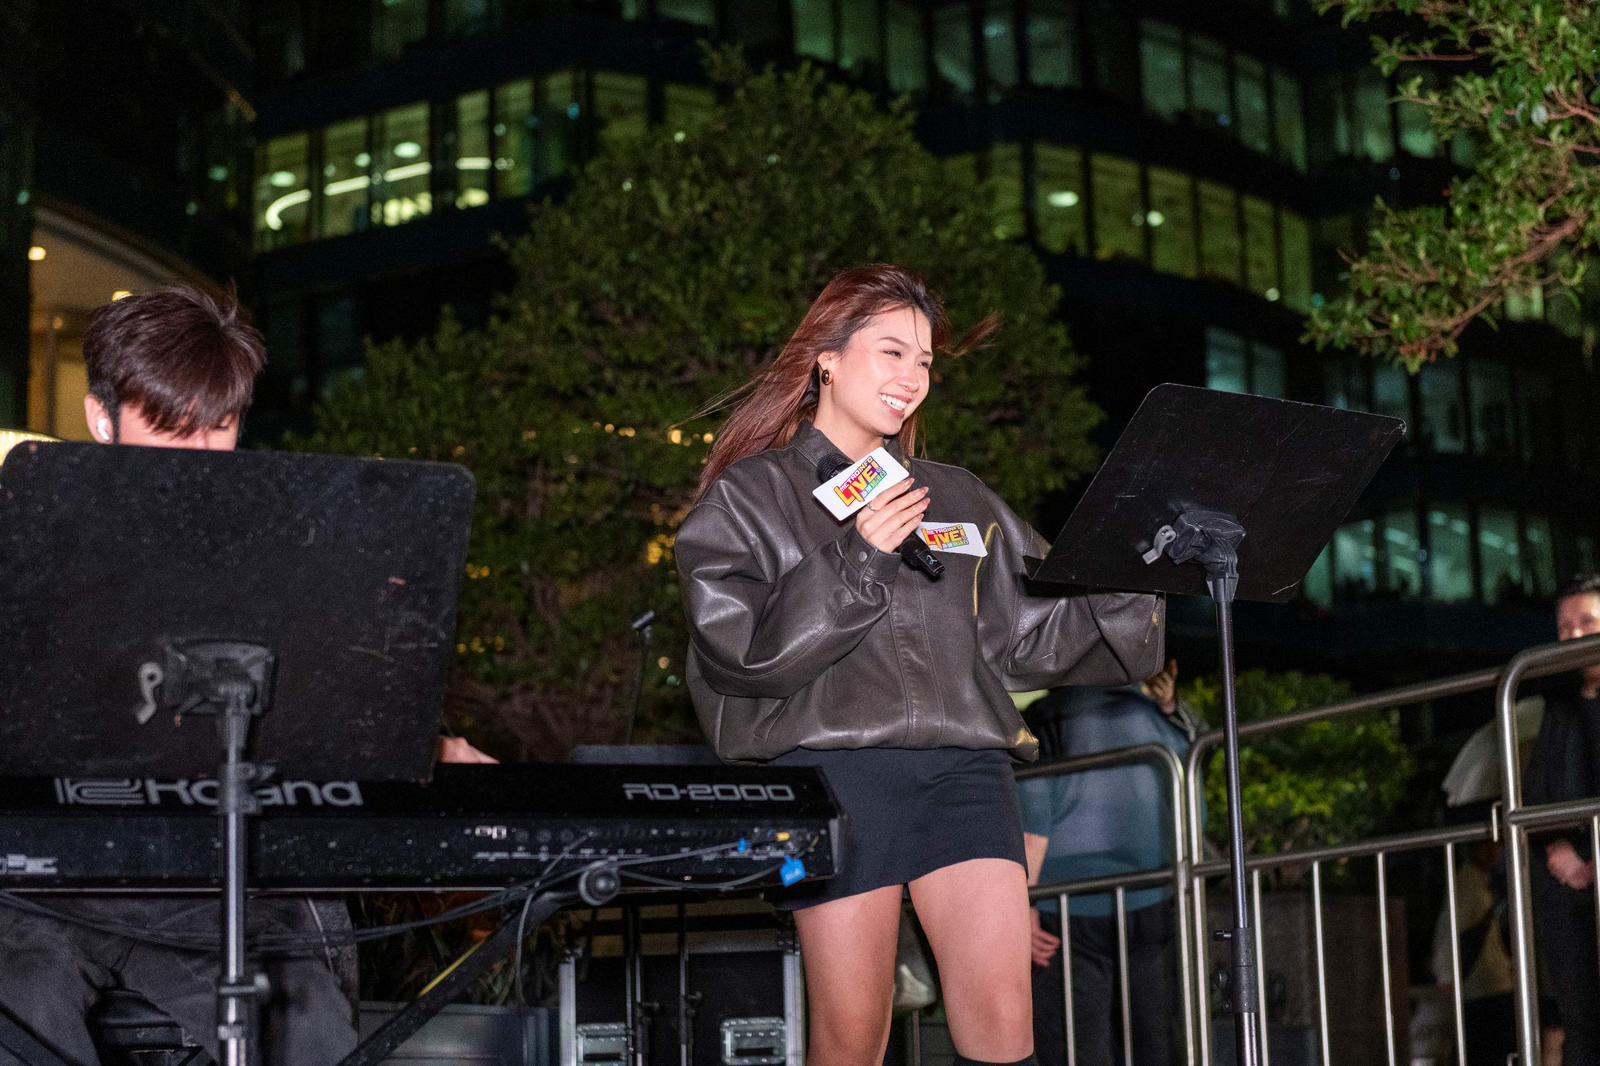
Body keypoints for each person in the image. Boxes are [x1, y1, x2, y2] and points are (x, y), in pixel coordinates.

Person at [675, 264, 1163, 1066]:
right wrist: (859, 556)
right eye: (892, 352)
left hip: (967, 770)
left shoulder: (958, 496)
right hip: (834, 777)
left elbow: (1029, 634)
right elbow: (740, 652)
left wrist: (1138, 573)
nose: (912, 377)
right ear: (827, 359)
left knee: (1004, 1026)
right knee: (852, 1037)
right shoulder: (753, 496)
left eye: (926, 361)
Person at [0, 285, 492, 1066]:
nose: (202, 455)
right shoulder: (27, 541)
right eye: (173, 428)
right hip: (37, 876)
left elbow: (326, 692)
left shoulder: (283, 553)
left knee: (300, 1017)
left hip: (202, 878)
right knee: (22, 997)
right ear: (101, 417)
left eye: (220, 426)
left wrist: (421, 748)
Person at [1017, 659, 1195, 1066]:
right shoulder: (1154, 714)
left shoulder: (1046, 718)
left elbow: (1032, 816)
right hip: (1154, 892)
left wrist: (1024, 904)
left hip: (1068, 902)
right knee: (1155, 1039)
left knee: (1077, 1044)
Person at [1523, 573, 1600, 1066]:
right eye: (1564, 627)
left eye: (1587, 623)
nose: (1573, 636)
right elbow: (1536, 794)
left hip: (1591, 868)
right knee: (1581, 1023)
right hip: (1568, 886)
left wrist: (1594, 862)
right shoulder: (1562, 706)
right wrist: (1558, 849)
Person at [1429, 841, 1515, 1066]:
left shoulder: (1479, 881)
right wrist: (1446, 975)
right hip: (1482, 984)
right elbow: (1448, 929)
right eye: (1489, 847)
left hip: (1490, 980)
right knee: (1484, 1048)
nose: (1494, 853)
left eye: (1496, 847)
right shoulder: (1467, 882)